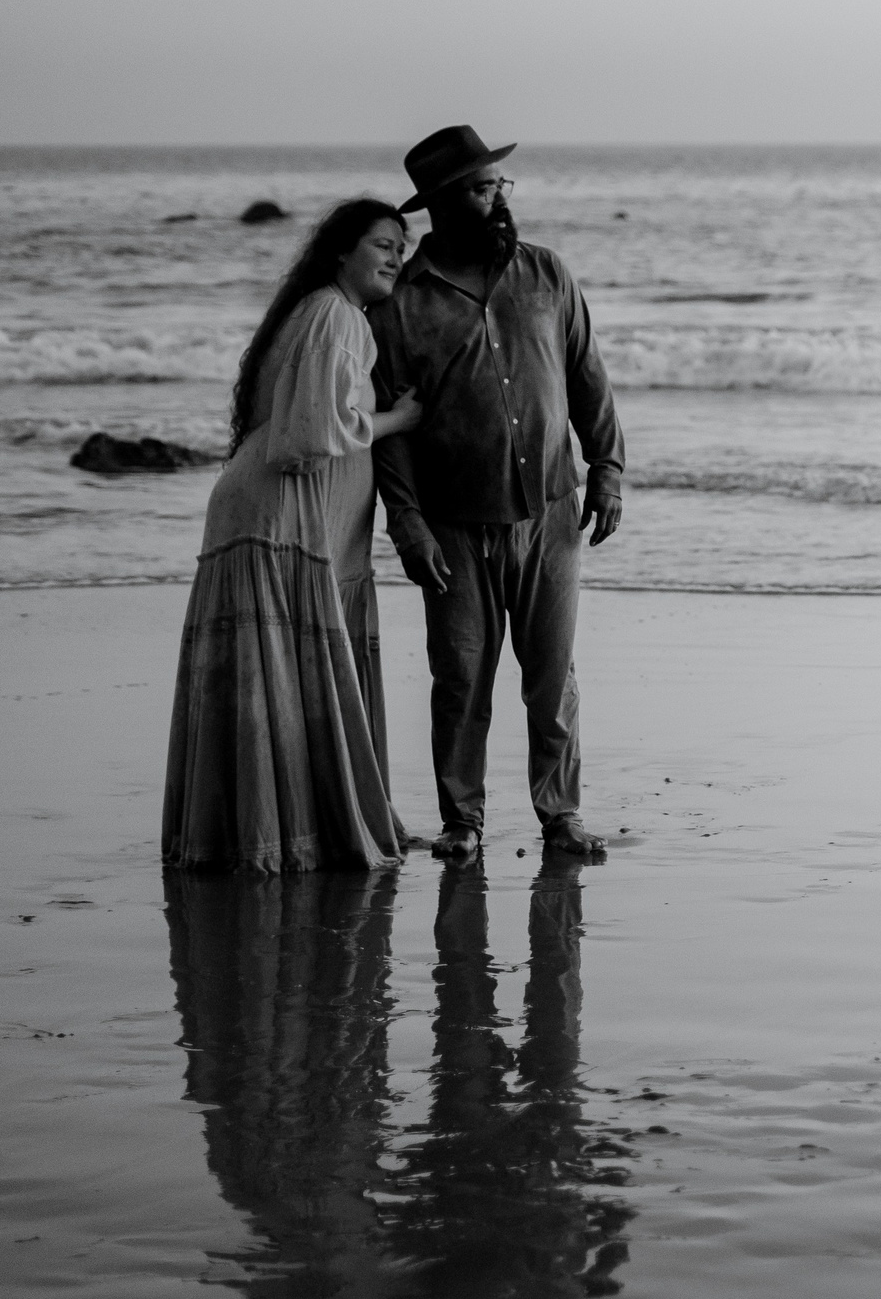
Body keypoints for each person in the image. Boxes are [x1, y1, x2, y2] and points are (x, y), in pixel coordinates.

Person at [369, 125, 624, 862]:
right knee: (460, 678)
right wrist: (407, 526)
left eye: (498, 186)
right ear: (446, 205)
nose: (498, 199)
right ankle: (463, 822)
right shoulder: (400, 303)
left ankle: (561, 815)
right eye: (482, 190)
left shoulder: (547, 274)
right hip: (450, 521)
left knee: (551, 676)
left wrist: (607, 465)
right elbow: (392, 431)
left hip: (548, 511)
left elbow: (588, 376)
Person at [163, 199, 426, 871]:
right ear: (341, 252)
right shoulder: (337, 317)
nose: (397, 256)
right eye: (382, 244)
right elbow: (313, 435)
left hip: (278, 519)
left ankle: (266, 833)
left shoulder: (323, 311)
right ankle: (279, 840)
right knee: (273, 677)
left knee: (270, 677)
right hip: (282, 520)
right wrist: (399, 418)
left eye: (403, 245)